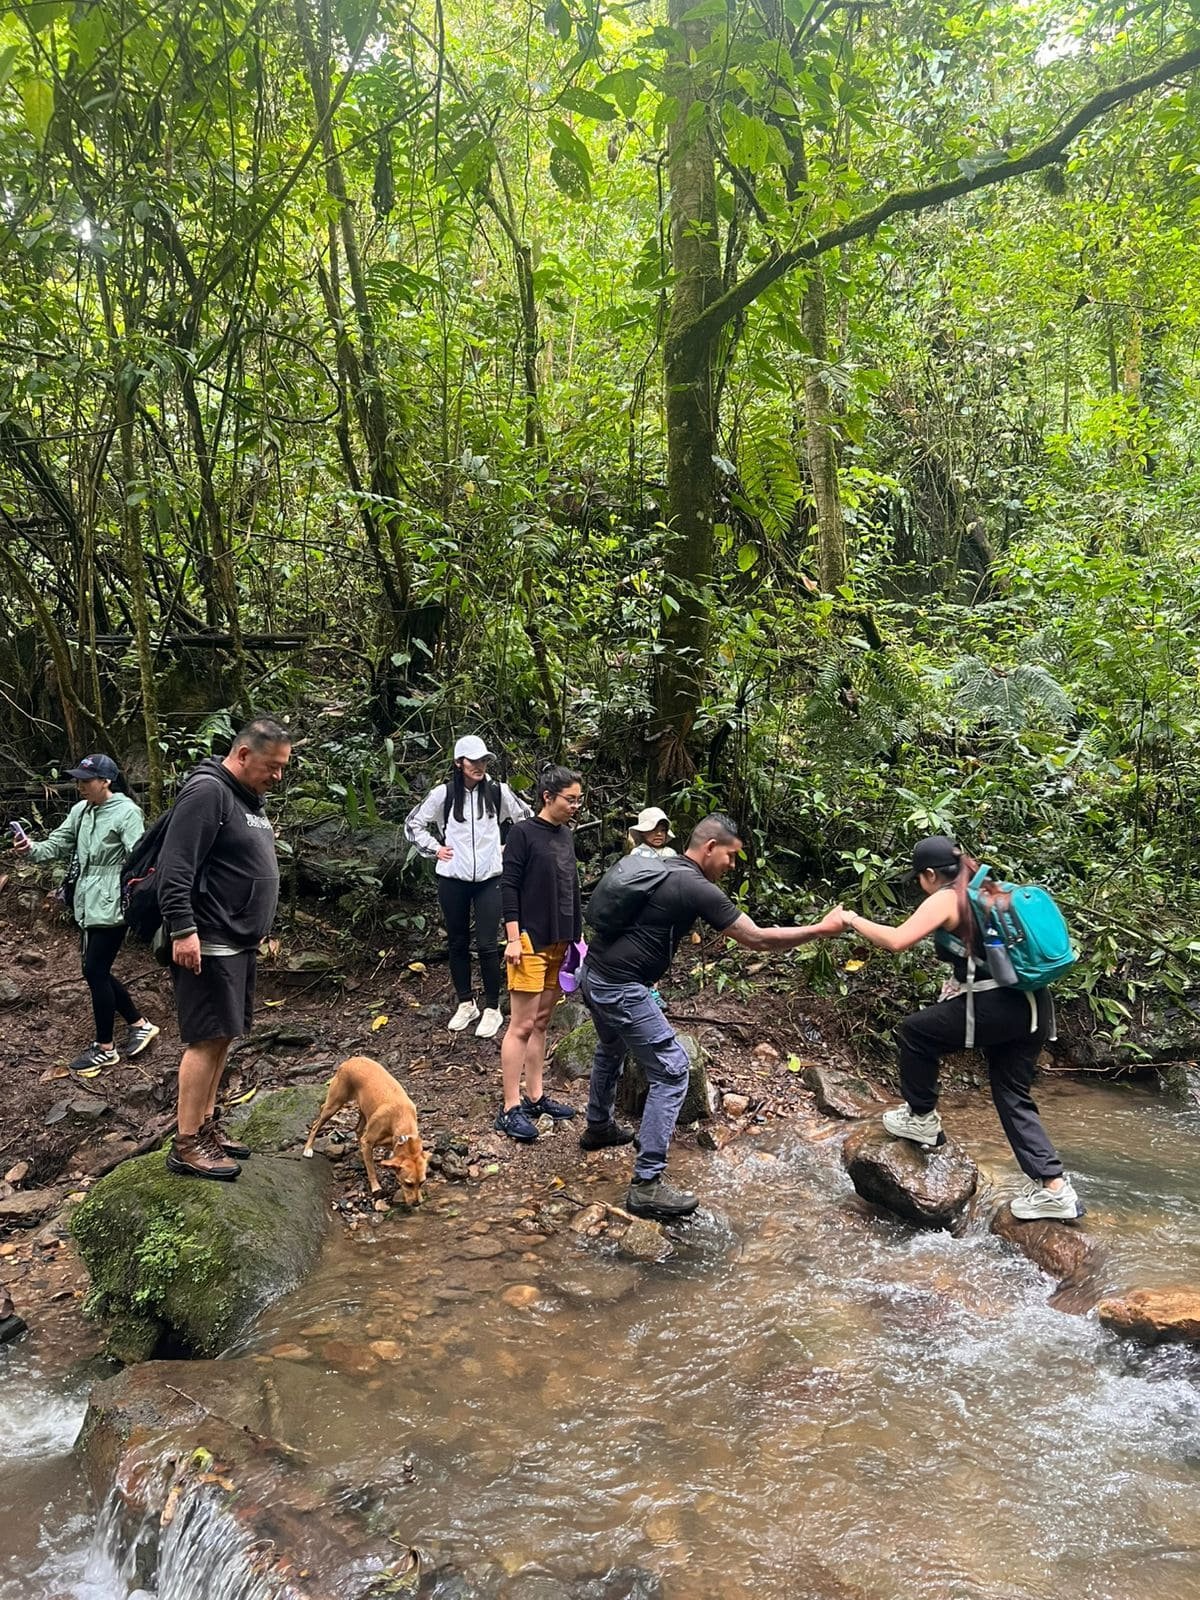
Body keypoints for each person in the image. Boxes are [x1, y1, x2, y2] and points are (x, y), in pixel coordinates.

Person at [580, 813, 844, 1220]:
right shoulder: (693, 884)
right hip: (619, 986)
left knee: (610, 1048)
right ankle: (647, 1184)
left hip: (594, 974)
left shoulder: (664, 864)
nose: (732, 866)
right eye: (731, 856)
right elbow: (756, 938)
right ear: (709, 848)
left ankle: (598, 1127)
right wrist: (820, 930)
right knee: (672, 1070)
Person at [835, 836, 1081, 1222]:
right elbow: (988, 956)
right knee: (1012, 1095)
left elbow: (898, 941)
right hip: (1033, 1007)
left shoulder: (947, 897)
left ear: (930, 874)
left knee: (915, 1033)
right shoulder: (989, 889)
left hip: (1001, 1008)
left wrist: (850, 919)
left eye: (919, 878)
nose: (920, 885)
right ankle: (1055, 1189)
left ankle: (921, 1119)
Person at [156, 718, 292, 1181]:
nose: (277, 776)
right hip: (208, 938)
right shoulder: (206, 793)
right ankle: (187, 1142)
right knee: (206, 1037)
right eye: (272, 767)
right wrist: (182, 929)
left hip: (237, 940)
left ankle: (207, 1126)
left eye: (283, 768)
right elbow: (175, 866)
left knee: (226, 1033)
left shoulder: (245, 798)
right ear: (243, 755)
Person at [13, 754, 158, 1075]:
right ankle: (139, 1024)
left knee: (94, 970)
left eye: (85, 780)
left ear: (105, 781)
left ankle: (105, 1047)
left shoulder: (127, 812)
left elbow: (138, 859)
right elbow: (57, 844)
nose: (79, 785)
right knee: (96, 970)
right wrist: (29, 848)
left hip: (112, 903)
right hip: (85, 902)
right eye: (77, 779)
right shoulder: (80, 811)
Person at [405, 734, 531, 1038]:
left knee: (488, 943)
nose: (479, 765)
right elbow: (413, 824)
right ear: (459, 762)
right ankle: (465, 1002)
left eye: (484, 760)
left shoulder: (498, 791)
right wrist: (436, 849)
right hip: (452, 878)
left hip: (490, 878)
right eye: (473, 760)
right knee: (457, 942)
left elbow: (525, 819)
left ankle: (492, 1007)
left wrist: (507, 847)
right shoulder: (443, 794)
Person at [496, 765, 584, 1142]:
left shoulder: (565, 835)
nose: (576, 806)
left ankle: (535, 1096)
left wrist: (577, 939)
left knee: (543, 1021)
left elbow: (570, 886)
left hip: (559, 941)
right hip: (529, 941)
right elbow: (509, 885)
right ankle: (510, 1107)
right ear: (548, 797)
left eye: (579, 799)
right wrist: (513, 937)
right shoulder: (522, 833)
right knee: (521, 1025)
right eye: (570, 799)